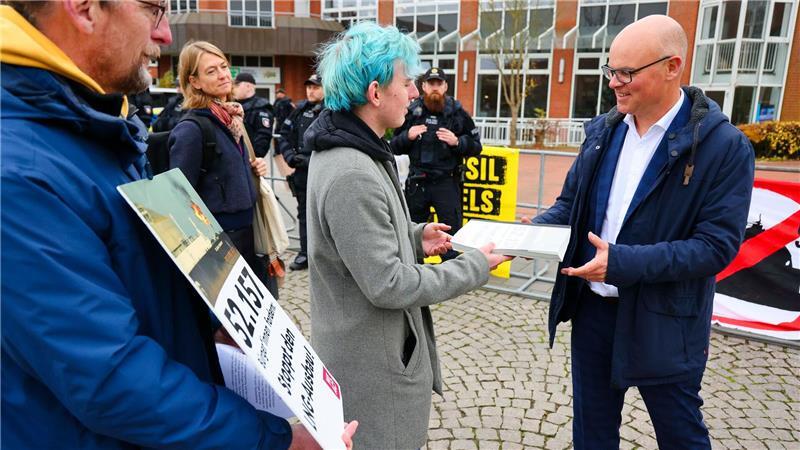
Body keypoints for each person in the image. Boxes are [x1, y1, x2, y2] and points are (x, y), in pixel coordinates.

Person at [0, 3, 356, 448]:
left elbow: (145, 269)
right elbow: (110, 378)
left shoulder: (96, 125)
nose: (165, 35)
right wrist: (275, 441)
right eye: (153, 10)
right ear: (85, 8)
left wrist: (219, 322)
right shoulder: (19, 170)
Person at [527, 15, 754, 449]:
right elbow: (571, 206)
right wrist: (526, 236)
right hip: (594, 313)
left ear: (672, 67)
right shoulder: (604, 131)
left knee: (681, 436)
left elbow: (716, 247)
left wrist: (621, 262)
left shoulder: (724, 147)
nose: (614, 82)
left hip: (666, 319)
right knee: (592, 435)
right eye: (611, 70)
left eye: (627, 72)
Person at [304, 22, 509, 449]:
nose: (414, 92)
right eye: (406, 82)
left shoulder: (357, 149)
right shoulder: (352, 171)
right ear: (376, 93)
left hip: (372, 354)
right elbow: (389, 283)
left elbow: (359, 239)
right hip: (373, 370)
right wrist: (474, 266)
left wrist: (415, 237)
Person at [169, 41, 279, 300]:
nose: (223, 75)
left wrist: (251, 169)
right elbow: (178, 200)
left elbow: (224, 169)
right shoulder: (191, 130)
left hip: (248, 234)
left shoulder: (231, 119)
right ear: (194, 81)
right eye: (211, 71)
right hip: (219, 244)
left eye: (224, 67)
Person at [390, 67, 482, 260]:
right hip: (417, 184)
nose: (434, 87)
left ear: (445, 86)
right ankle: (413, 274)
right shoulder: (411, 112)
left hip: (446, 184)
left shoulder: (457, 113)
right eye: (431, 83)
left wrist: (457, 142)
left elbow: (476, 147)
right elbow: (393, 147)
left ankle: (452, 274)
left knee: (451, 239)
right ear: (423, 86)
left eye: (438, 83)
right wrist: (407, 136)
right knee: (412, 238)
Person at [275, 73, 324, 271]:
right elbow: (283, 136)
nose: (311, 91)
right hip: (302, 173)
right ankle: (305, 253)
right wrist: (289, 157)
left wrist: (311, 160)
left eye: (315, 87)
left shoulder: (332, 111)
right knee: (304, 214)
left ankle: (325, 258)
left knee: (325, 215)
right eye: (309, 87)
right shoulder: (299, 110)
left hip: (322, 172)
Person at [233, 71, 274, 158]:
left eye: (237, 85)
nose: (233, 88)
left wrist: (251, 158)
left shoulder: (261, 107)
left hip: (248, 159)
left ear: (248, 86)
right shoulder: (234, 105)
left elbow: (262, 140)